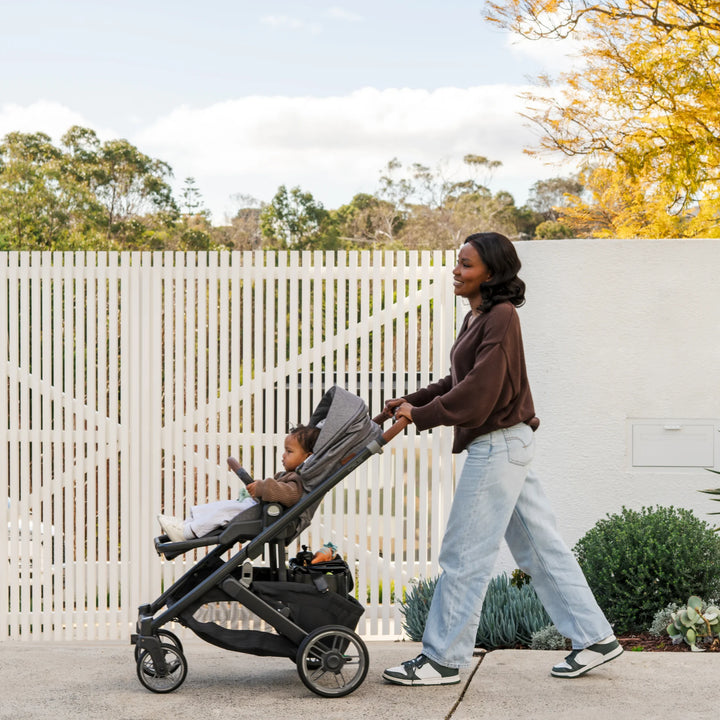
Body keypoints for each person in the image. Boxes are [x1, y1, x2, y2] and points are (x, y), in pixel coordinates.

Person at [382, 232, 622, 686]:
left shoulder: (502, 316)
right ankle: (595, 638)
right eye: (457, 262)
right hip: (506, 443)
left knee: (464, 553)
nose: (457, 270)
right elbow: (458, 379)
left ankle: (443, 660)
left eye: (466, 264)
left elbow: (478, 392)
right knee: (539, 549)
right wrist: (410, 402)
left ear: (491, 272)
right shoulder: (477, 318)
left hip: (498, 446)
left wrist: (424, 415)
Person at [157, 424, 319, 542]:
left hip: (269, 515)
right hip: (261, 509)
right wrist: (257, 488)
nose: (283, 455)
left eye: (289, 452)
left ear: (307, 457)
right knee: (221, 506)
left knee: (226, 511)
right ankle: (187, 523)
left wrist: (263, 487)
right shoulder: (285, 474)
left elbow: (289, 494)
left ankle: (188, 532)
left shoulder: (296, 479)